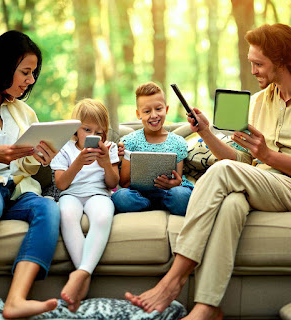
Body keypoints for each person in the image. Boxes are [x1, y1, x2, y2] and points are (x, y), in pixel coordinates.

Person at [125, 23, 291, 320]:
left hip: (287, 186)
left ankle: (172, 281)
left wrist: (267, 154)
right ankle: (207, 308)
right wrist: (207, 133)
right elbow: (242, 163)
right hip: (260, 181)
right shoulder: (257, 102)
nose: (252, 70)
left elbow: (251, 162)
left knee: (225, 172)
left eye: (258, 64)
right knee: (231, 203)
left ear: (282, 61)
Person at [0, 31, 61, 318]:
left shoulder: (25, 113)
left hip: (16, 189)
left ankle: (16, 300)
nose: (31, 80)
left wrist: (38, 160)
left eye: (33, 73)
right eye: (25, 72)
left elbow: (23, 170)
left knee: (47, 206)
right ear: (3, 66)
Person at [50, 98, 119, 312]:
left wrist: (106, 163)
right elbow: (61, 184)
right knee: (67, 215)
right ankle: (85, 276)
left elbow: (113, 183)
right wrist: (78, 162)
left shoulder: (110, 148)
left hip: (98, 193)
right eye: (87, 129)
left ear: (105, 133)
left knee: (102, 216)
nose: (93, 136)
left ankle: (80, 274)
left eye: (99, 132)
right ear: (75, 129)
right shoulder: (65, 148)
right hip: (71, 193)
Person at [112, 82, 194, 216]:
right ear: (139, 114)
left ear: (166, 110)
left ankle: (163, 203)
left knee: (181, 195)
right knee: (121, 197)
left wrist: (176, 184)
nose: (154, 115)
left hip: (168, 193)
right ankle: (147, 204)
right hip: (138, 194)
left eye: (158, 109)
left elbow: (177, 179)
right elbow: (124, 183)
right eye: (147, 111)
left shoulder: (178, 142)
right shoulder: (130, 141)